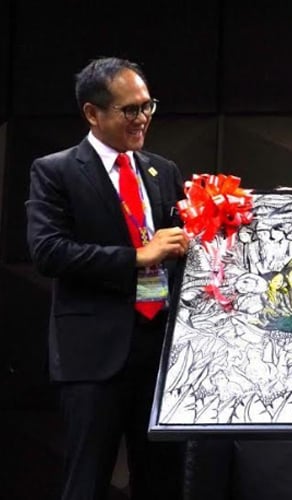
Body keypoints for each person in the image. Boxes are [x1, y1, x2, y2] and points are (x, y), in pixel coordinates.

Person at [26, 57, 189, 500]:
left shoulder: (162, 170)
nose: (142, 118)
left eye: (147, 106)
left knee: (163, 482)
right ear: (92, 113)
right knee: (87, 481)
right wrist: (138, 256)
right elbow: (49, 252)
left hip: (160, 353)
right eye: (129, 110)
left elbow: (180, 249)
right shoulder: (55, 170)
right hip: (94, 357)